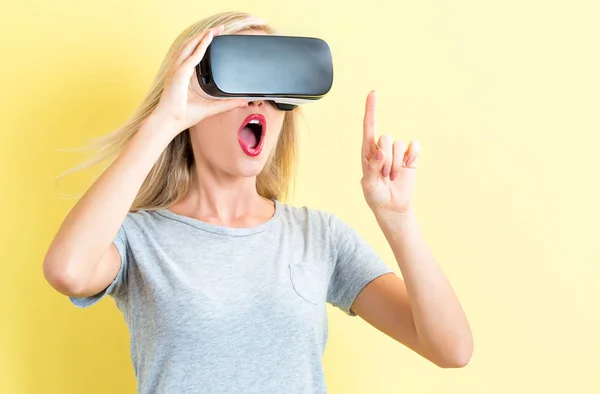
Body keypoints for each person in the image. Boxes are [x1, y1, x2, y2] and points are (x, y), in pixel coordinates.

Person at [43, 11, 473, 394]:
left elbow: (451, 348)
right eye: (240, 80)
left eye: (272, 87)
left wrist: (397, 220)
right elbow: (68, 271)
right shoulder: (140, 238)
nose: (257, 101)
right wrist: (165, 121)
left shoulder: (318, 237)